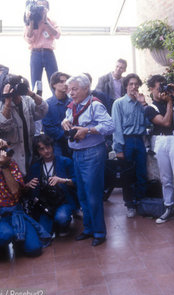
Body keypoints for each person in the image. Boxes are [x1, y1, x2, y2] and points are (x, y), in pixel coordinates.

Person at [0, 138, 51, 261]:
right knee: (5, 235)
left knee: (34, 249)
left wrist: (4, 167)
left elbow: (14, 190)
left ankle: (18, 239)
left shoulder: (11, 165)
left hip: (15, 212)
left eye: (4, 150)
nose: (4, 153)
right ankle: (3, 242)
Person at [61, 74, 114, 246]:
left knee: (93, 194)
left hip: (92, 152)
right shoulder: (71, 107)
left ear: (86, 88)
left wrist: (88, 130)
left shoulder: (95, 105)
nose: (71, 93)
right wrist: (64, 122)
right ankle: (89, 228)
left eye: (74, 89)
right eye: (69, 90)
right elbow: (68, 120)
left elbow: (110, 125)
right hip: (77, 153)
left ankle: (99, 232)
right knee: (82, 193)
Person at [144, 75, 174, 235]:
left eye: (164, 87)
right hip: (161, 141)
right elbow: (165, 122)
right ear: (151, 89)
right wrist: (170, 103)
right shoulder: (150, 108)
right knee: (165, 180)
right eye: (159, 88)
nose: (162, 91)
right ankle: (169, 208)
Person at [0, 74, 48, 176]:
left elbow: (43, 110)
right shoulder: (1, 106)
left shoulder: (27, 100)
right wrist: (8, 101)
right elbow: (3, 125)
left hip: (30, 155)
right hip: (14, 158)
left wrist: (30, 93)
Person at [111, 73, 149, 218]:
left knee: (141, 173)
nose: (134, 87)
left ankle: (141, 202)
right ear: (126, 86)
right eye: (131, 84)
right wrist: (118, 148)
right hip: (125, 141)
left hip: (139, 141)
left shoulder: (141, 103)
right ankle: (130, 205)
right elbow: (116, 127)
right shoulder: (119, 103)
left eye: (136, 84)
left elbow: (148, 123)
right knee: (127, 175)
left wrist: (144, 104)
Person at [25, 134, 77, 236]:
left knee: (61, 218)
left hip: (63, 201)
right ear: (38, 152)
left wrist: (62, 180)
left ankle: (63, 223)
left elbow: (77, 182)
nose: (46, 151)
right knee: (44, 234)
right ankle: (54, 224)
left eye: (48, 147)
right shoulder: (35, 167)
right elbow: (28, 192)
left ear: (52, 146)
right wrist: (27, 185)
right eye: (41, 149)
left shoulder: (65, 161)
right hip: (45, 205)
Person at [24, 0, 60, 92]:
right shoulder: (30, 21)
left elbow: (57, 35)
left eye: (43, 7)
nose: (40, 10)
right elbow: (29, 39)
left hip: (49, 53)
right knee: (36, 82)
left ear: (47, 9)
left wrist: (45, 22)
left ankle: (57, 101)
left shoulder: (51, 21)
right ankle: (37, 102)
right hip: (36, 53)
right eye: (39, 7)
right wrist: (31, 22)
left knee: (55, 80)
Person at [42, 71, 72, 158]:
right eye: (62, 82)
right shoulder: (47, 104)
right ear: (54, 85)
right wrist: (67, 135)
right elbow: (48, 128)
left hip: (74, 143)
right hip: (56, 145)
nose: (65, 84)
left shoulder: (73, 102)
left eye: (66, 81)